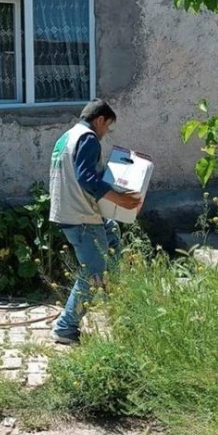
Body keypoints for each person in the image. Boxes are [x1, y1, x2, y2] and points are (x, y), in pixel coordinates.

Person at [48, 99, 142, 345]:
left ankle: (116, 299)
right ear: (99, 120)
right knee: (92, 273)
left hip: (71, 213)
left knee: (111, 234)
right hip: (81, 218)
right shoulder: (88, 138)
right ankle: (65, 328)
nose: (105, 133)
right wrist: (120, 199)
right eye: (107, 127)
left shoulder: (67, 137)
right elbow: (87, 178)